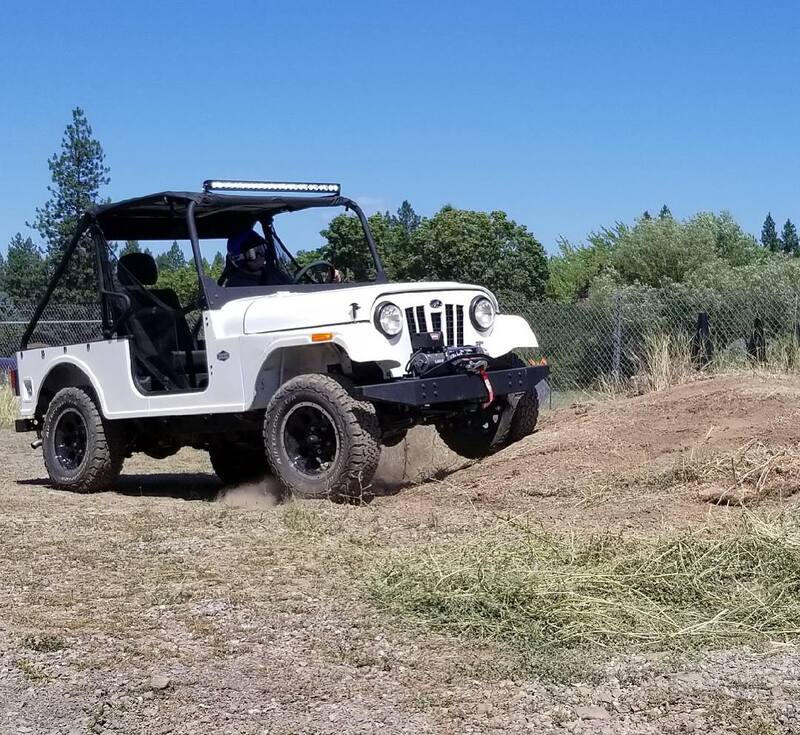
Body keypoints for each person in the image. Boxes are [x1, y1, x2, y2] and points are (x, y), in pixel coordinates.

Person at [221, 229, 292, 287]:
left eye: (262, 249)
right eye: (252, 253)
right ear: (239, 259)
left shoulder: (276, 275)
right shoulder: (235, 286)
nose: (260, 256)